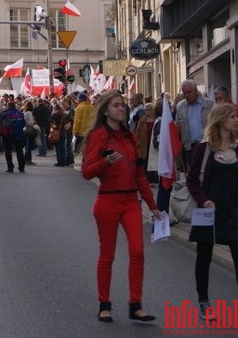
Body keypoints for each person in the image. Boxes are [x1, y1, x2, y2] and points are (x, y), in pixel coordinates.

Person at [81, 90, 160, 323]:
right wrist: (105, 162)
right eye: (116, 105)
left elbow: (139, 174)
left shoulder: (129, 136)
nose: (121, 109)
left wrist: (152, 205)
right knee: (108, 255)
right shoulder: (98, 136)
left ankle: (136, 304)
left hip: (130, 201)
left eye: (123, 105)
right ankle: (104, 304)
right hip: (107, 200)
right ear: (106, 110)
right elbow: (86, 172)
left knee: (138, 252)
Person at [187, 103, 238, 319]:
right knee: (204, 256)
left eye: (237, 116)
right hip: (208, 212)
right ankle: (204, 301)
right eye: (232, 116)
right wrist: (204, 200)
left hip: (233, 210)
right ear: (221, 120)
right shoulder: (202, 148)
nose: (236, 120)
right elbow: (192, 181)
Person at [175, 80, 214, 165]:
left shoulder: (209, 104)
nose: (187, 95)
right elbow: (178, 126)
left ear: (196, 90)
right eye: (184, 93)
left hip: (207, 145)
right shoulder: (180, 107)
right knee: (193, 173)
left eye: (189, 92)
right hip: (190, 147)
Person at [0, 100, 26, 173]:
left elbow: (1, 124)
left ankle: (10, 167)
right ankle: (21, 167)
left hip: (8, 135)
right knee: (19, 151)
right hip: (19, 134)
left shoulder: (5, 114)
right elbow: (24, 124)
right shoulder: (20, 114)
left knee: (8, 151)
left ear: (8, 106)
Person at [68, 93, 93, 165]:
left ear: (81, 99)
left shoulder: (79, 108)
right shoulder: (92, 107)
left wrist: (74, 132)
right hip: (90, 132)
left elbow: (77, 121)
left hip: (81, 132)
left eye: (78, 99)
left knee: (82, 149)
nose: (77, 100)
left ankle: (84, 163)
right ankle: (87, 162)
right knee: (88, 149)